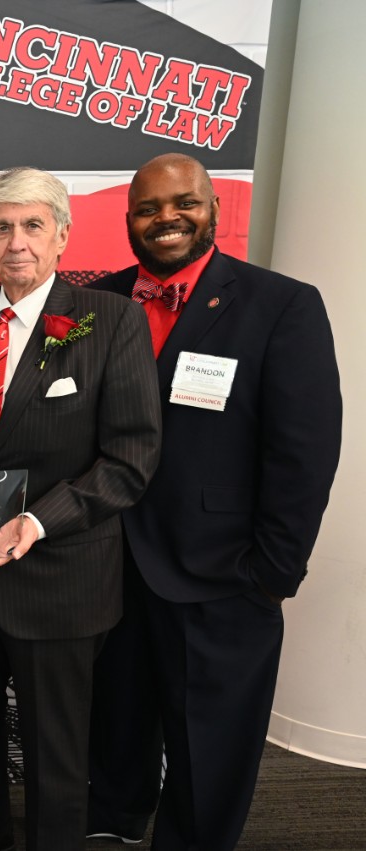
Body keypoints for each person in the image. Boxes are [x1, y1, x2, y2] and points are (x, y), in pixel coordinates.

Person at [86, 154, 342, 850]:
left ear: (213, 211)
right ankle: (113, 820)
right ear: (129, 220)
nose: (166, 218)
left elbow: (304, 450)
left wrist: (272, 572)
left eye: (184, 203)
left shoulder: (280, 304)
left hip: (221, 572)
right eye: (147, 208)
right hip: (112, 566)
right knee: (116, 719)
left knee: (209, 743)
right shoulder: (97, 304)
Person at [0, 167, 161, 851]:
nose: (16, 241)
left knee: (58, 746)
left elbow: (131, 458)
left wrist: (34, 521)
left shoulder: (111, 320)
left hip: (61, 574)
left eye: (32, 225)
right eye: (2, 226)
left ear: (61, 235)